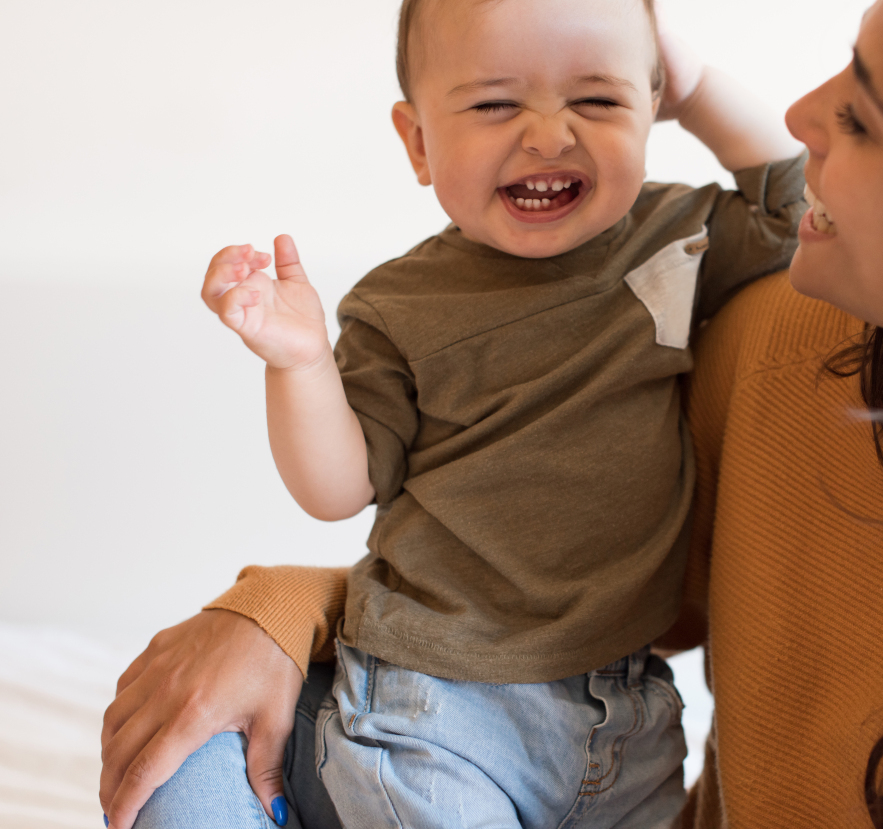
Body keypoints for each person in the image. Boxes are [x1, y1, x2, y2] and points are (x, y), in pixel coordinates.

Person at [103, 0, 883, 826]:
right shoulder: (770, 343)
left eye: (862, 112)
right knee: (190, 772)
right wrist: (282, 607)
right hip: (472, 708)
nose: (800, 108)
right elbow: (561, 556)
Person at [103, 0, 806, 826]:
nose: (549, 135)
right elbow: (341, 484)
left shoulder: (672, 237)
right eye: (495, 104)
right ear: (418, 142)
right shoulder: (403, 304)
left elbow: (798, 210)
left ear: (652, 110)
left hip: (628, 710)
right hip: (437, 696)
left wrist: (696, 85)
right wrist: (300, 363)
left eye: (599, 100)